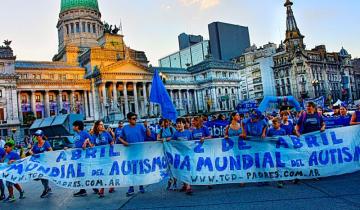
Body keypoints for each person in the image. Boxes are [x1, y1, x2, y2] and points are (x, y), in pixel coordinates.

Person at [119, 112, 151, 196]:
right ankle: (131, 187)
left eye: (136, 118)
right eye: (133, 119)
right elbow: (119, 138)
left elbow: (148, 135)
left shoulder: (140, 126)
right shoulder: (125, 128)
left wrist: (146, 126)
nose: (135, 120)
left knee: (140, 169)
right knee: (131, 170)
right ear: (129, 120)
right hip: (130, 152)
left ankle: (141, 186)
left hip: (140, 151)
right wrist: (124, 142)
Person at [92, 120, 114, 198]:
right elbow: (92, 145)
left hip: (107, 157)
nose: (102, 126)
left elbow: (111, 142)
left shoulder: (106, 133)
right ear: (97, 126)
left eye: (103, 124)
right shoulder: (94, 135)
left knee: (108, 172)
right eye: (101, 125)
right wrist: (87, 142)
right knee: (102, 173)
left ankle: (109, 185)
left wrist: (110, 149)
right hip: (99, 158)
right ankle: (103, 188)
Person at [28, 130, 53, 198]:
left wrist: (45, 153)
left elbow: (51, 151)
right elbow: (31, 150)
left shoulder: (46, 143)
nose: (36, 137)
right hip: (37, 164)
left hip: (45, 163)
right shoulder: (36, 144)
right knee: (38, 177)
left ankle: (46, 189)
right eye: (35, 136)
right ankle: (47, 188)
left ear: (41, 136)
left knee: (43, 176)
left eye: (37, 136)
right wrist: (31, 152)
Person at [72, 120, 94, 197]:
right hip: (77, 157)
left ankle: (93, 187)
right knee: (80, 173)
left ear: (77, 126)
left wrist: (86, 141)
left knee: (87, 172)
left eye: (73, 126)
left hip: (85, 157)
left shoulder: (84, 133)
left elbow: (92, 144)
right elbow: (75, 145)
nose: (72, 127)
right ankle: (83, 190)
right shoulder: (75, 134)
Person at [172, 118, 193, 194]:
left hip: (187, 155)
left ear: (184, 124)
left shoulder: (189, 132)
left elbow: (192, 142)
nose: (178, 125)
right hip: (179, 155)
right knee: (181, 170)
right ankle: (185, 185)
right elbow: (172, 144)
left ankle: (188, 187)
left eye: (180, 123)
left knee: (187, 170)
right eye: (177, 123)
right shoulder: (175, 134)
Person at [266, 118, 286, 188]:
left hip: (280, 150)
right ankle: (274, 177)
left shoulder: (283, 131)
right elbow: (267, 139)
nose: (274, 125)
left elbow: (285, 140)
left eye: (275, 123)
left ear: (279, 123)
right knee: (273, 164)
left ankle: (280, 180)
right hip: (272, 150)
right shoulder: (270, 130)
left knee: (280, 165)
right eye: (273, 123)